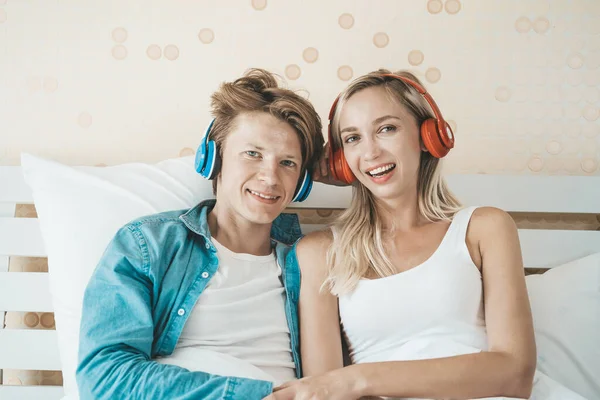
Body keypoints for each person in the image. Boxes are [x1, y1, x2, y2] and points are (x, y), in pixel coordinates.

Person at [267, 70, 585, 400]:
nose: (371, 152)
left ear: (426, 136)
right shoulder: (320, 253)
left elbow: (515, 374)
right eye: (352, 139)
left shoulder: (484, 228)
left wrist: (360, 378)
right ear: (341, 162)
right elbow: (325, 390)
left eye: (386, 129)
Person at [76, 68, 324, 400]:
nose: (270, 177)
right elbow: (105, 377)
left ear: (302, 182)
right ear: (213, 158)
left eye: (288, 163)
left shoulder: (312, 261)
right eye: (253, 154)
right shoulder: (147, 245)